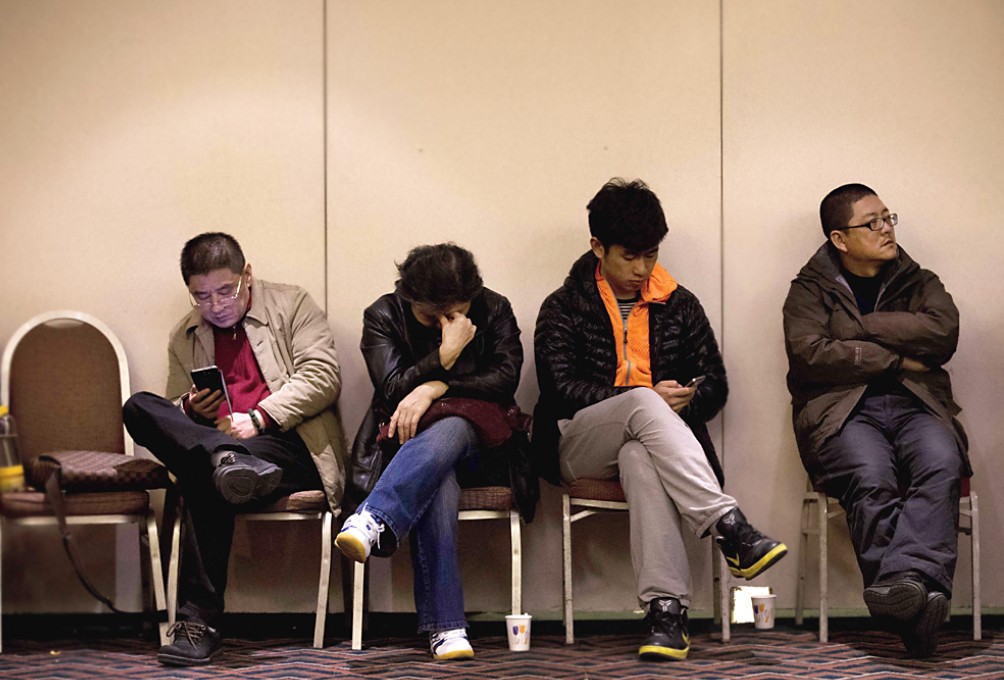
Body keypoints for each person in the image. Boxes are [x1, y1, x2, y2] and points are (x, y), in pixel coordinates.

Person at [533, 178, 787, 662]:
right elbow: (560, 391)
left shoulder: (679, 303)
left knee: (640, 455)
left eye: (650, 255)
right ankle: (728, 525)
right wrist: (643, 397)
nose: (642, 268)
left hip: (654, 447)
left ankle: (666, 613)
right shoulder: (564, 306)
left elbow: (715, 382)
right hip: (578, 442)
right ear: (597, 248)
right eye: (629, 256)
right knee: (642, 404)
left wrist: (687, 400)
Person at [123, 232, 346, 666]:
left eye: (226, 291)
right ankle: (222, 456)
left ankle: (196, 623)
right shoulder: (184, 334)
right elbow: (170, 418)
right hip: (223, 454)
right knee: (139, 408)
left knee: (204, 473)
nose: (216, 305)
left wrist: (259, 417)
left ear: (247, 274)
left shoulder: (292, 304)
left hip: (285, 446)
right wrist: (189, 408)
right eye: (201, 296)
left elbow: (323, 376)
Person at [782, 184, 968, 658]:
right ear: (840, 239)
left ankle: (903, 591)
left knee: (942, 462)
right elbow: (810, 356)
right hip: (843, 411)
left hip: (918, 405)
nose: (886, 229)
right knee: (871, 477)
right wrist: (899, 359)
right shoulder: (808, 290)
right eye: (872, 222)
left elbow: (942, 333)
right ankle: (918, 608)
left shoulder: (918, 278)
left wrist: (859, 329)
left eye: (889, 218)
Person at [335, 243, 530, 661]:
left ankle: (374, 517)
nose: (446, 322)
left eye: (456, 313)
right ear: (409, 298)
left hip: (484, 449)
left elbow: (506, 379)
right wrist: (444, 354)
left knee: (455, 423)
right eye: (432, 316)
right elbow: (389, 388)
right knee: (438, 478)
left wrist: (436, 386)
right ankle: (447, 628)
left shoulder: (494, 308)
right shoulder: (383, 315)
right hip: (407, 448)